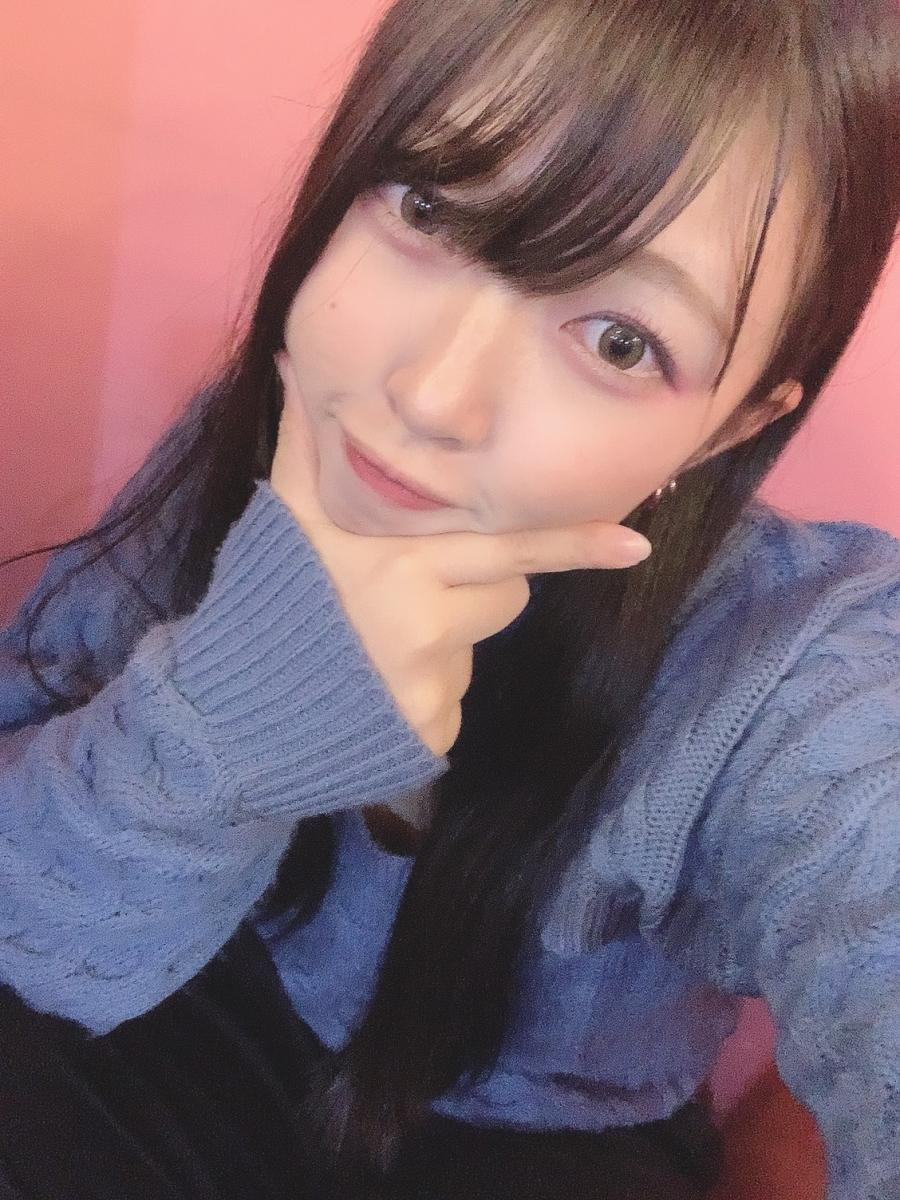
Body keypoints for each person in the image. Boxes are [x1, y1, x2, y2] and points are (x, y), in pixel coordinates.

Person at [1, 0, 899, 1196]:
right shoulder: (261, 443)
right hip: (179, 1006)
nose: (429, 396)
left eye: (620, 341)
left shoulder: (794, 669)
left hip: (549, 1145)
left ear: (732, 425)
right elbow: (27, 912)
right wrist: (223, 723)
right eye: (426, 209)